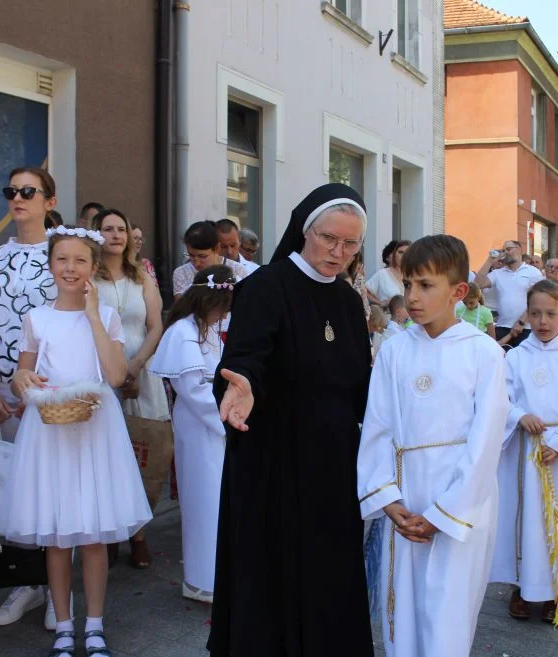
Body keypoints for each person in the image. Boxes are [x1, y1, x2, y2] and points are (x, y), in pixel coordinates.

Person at [208, 183, 374, 657]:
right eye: (329, 239)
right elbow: (244, 359)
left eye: (350, 244)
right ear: (306, 230)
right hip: (274, 463)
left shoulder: (345, 300)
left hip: (333, 465)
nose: (338, 252)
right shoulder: (264, 287)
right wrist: (239, 390)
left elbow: (358, 380)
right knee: (273, 574)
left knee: (329, 576)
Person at [0, 225, 152, 657]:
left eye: (80, 260)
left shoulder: (104, 317)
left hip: (93, 430)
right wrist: (21, 379)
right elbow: (21, 378)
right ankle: (64, 626)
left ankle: (96, 625)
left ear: (93, 267)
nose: (70, 268)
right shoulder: (37, 317)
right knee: (58, 535)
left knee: (92, 535)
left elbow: (117, 375)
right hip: (50, 431)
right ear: (51, 265)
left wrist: (91, 316)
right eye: (62, 259)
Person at [358, 235, 508, 657]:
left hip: (461, 502)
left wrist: (446, 513)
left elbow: (486, 439)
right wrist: (387, 498)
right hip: (404, 500)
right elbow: (377, 426)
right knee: (402, 610)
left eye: (425, 285)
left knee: (448, 611)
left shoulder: (483, 352)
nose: (412, 296)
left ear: (458, 292)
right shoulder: (395, 348)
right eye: (408, 285)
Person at [0, 166, 58, 628]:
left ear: (49, 200)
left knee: (53, 490)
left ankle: (60, 592)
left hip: (49, 393)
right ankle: (27, 584)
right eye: (11, 192)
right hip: (2, 394)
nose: (17, 198)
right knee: (13, 495)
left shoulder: (64, 254)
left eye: (28, 191)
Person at [490, 280, 558, 624]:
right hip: (527, 452)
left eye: (551, 313)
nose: (542, 321)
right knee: (526, 520)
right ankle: (524, 587)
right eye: (535, 313)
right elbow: (501, 400)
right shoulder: (517, 356)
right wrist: (520, 415)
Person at [150, 265, 235, 603]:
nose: (225, 312)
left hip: (218, 422)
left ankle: (221, 574)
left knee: (219, 502)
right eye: (221, 303)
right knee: (204, 501)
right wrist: (228, 421)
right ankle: (201, 580)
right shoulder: (182, 332)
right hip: (202, 425)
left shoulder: (210, 327)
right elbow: (193, 389)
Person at [92, 208, 169, 568]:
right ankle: (109, 533)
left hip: (142, 375)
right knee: (107, 457)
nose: (115, 235)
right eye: (107, 229)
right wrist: (117, 371)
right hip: (102, 374)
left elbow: (155, 326)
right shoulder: (89, 278)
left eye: (121, 229)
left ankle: (137, 534)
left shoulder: (143, 278)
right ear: (96, 235)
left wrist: (135, 366)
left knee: (144, 455)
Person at [476, 240, 544, 347]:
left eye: (508, 249)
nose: (505, 253)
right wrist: (490, 260)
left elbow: (539, 300)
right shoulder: (498, 273)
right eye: (503, 251)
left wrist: (522, 322)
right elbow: (478, 284)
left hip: (525, 328)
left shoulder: (533, 272)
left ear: (519, 250)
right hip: (502, 326)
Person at [171, 221, 247, 300]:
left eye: (202, 256)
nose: (196, 263)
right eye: (191, 255)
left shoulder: (238, 270)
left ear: (217, 248)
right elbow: (182, 308)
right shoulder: (181, 273)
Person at [366, 240, 411, 307]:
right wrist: (379, 303)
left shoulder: (414, 275)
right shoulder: (383, 274)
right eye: (400, 252)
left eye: (407, 252)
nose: (403, 256)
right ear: (394, 254)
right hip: (387, 316)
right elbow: (364, 291)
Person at [347, 250, 370, 318]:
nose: (359, 265)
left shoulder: (360, 278)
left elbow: (364, 302)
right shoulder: (345, 278)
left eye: (360, 262)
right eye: (357, 262)